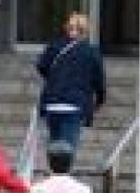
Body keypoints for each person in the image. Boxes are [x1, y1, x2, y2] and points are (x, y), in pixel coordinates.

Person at [35, 12, 106, 156]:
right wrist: (99, 101)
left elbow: (42, 66)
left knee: (54, 148)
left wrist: (55, 79)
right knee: (68, 150)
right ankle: (63, 175)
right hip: (75, 106)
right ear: (85, 30)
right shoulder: (91, 52)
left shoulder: (54, 46)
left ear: (67, 28)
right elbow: (99, 81)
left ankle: (54, 174)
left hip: (52, 105)